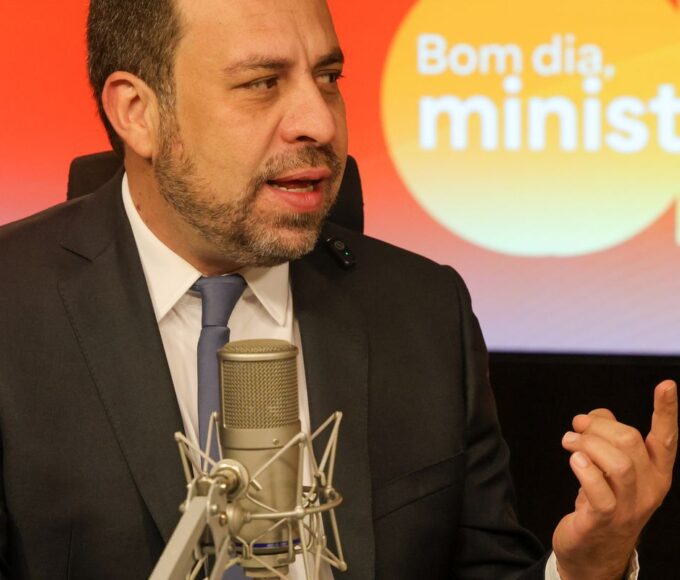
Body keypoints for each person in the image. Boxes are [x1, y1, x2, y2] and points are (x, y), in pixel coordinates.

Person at [0, 0, 676, 578]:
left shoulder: (423, 311)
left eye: (328, 78)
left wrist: (588, 567)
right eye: (263, 83)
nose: (320, 124)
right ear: (138, 112)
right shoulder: (11, 306)